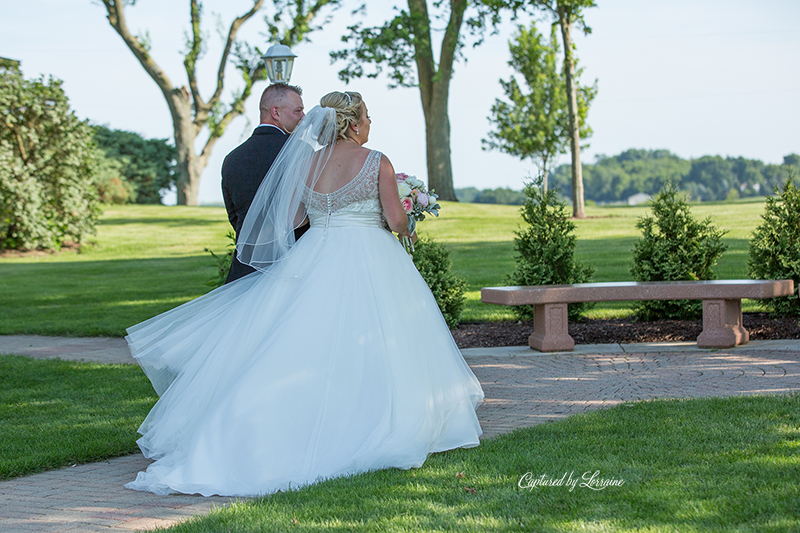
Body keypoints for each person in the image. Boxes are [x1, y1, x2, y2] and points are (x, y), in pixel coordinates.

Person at [124, 91, 484, 497]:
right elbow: (397, 222)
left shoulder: (305, 162)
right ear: (352, 122)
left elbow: (293, 218)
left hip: (315, 255)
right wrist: (408, 215)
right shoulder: (377, 161)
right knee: (381, 341)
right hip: (370, 256)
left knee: (298, 342)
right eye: (367, 116)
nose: (370, 123)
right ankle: (377, 423)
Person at [221, 83, 307, 283]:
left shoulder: (232, 158)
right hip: (290, 270)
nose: (303, 116)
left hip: (244, 270)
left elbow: (235, 217)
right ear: (275, 112)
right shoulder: (301, 152)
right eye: (298, 110)